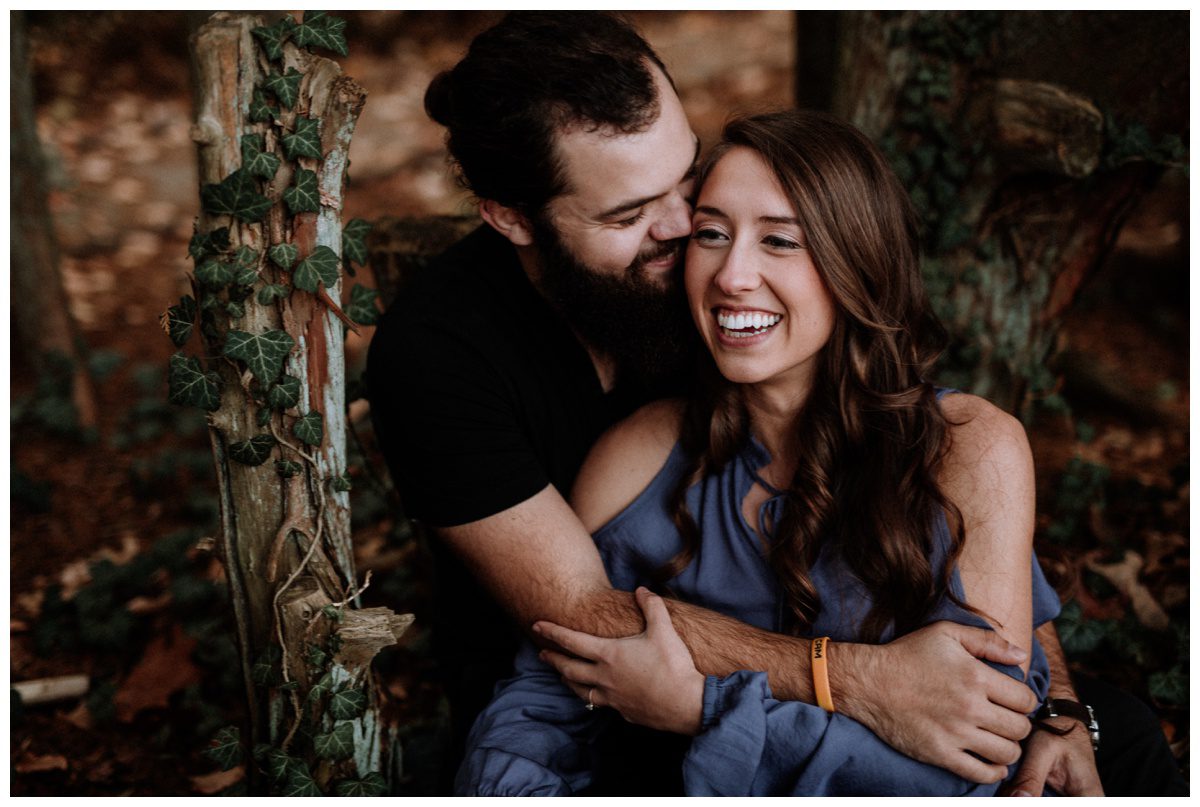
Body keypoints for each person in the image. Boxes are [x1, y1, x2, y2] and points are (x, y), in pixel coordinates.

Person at [366, 11, 1105, 795]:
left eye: (687, 179)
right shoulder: (443, 356)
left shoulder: (716, 286)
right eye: (629, 214)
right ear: (512, 216)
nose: (689, 233)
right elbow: (580, 618)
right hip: (617, 707)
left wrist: (1055, 701)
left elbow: (980, 554)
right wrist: (849, 681)